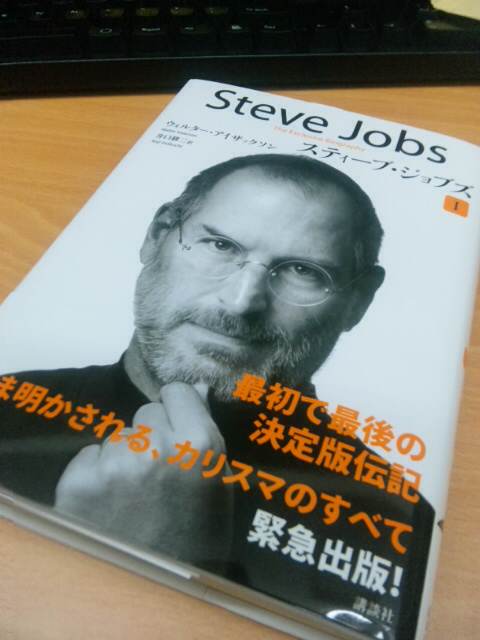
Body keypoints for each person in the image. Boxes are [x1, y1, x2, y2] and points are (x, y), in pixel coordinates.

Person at [0, 154, 433, 638]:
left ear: (359, 300)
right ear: (156, 236)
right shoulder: (6, 403)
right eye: (220, 245)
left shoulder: (398, 525)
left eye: (303, 270)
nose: (242, 301)